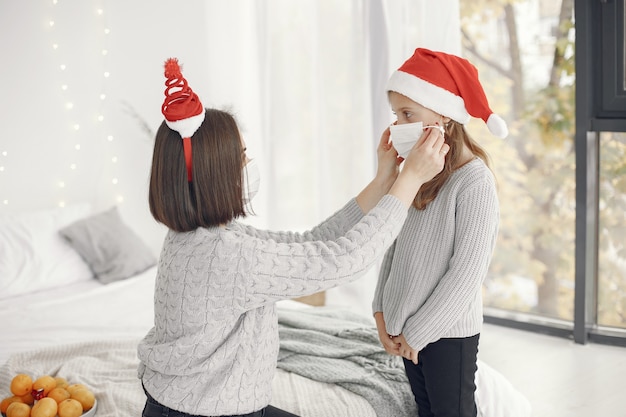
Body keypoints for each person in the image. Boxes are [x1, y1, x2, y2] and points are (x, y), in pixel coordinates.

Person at [137, 57, 449, 417]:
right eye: (242, 157)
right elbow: (345, 260)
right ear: (215, 173)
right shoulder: (228, 256)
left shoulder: (201, 240)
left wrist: (384, 180)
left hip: (181, 403)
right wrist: (410, 180)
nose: (249, 164)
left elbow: (313, 243)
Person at [372, 47, 508, 417]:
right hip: (406, 330)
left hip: (445, 333)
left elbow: (467, 273)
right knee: (425, 410)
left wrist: (418, 333)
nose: (397, 125)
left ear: (444, 117)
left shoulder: (474, 181)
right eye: (396, 115)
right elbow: (391, 244)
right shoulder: (416, 173)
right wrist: (382, 311)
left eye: (407, 114)